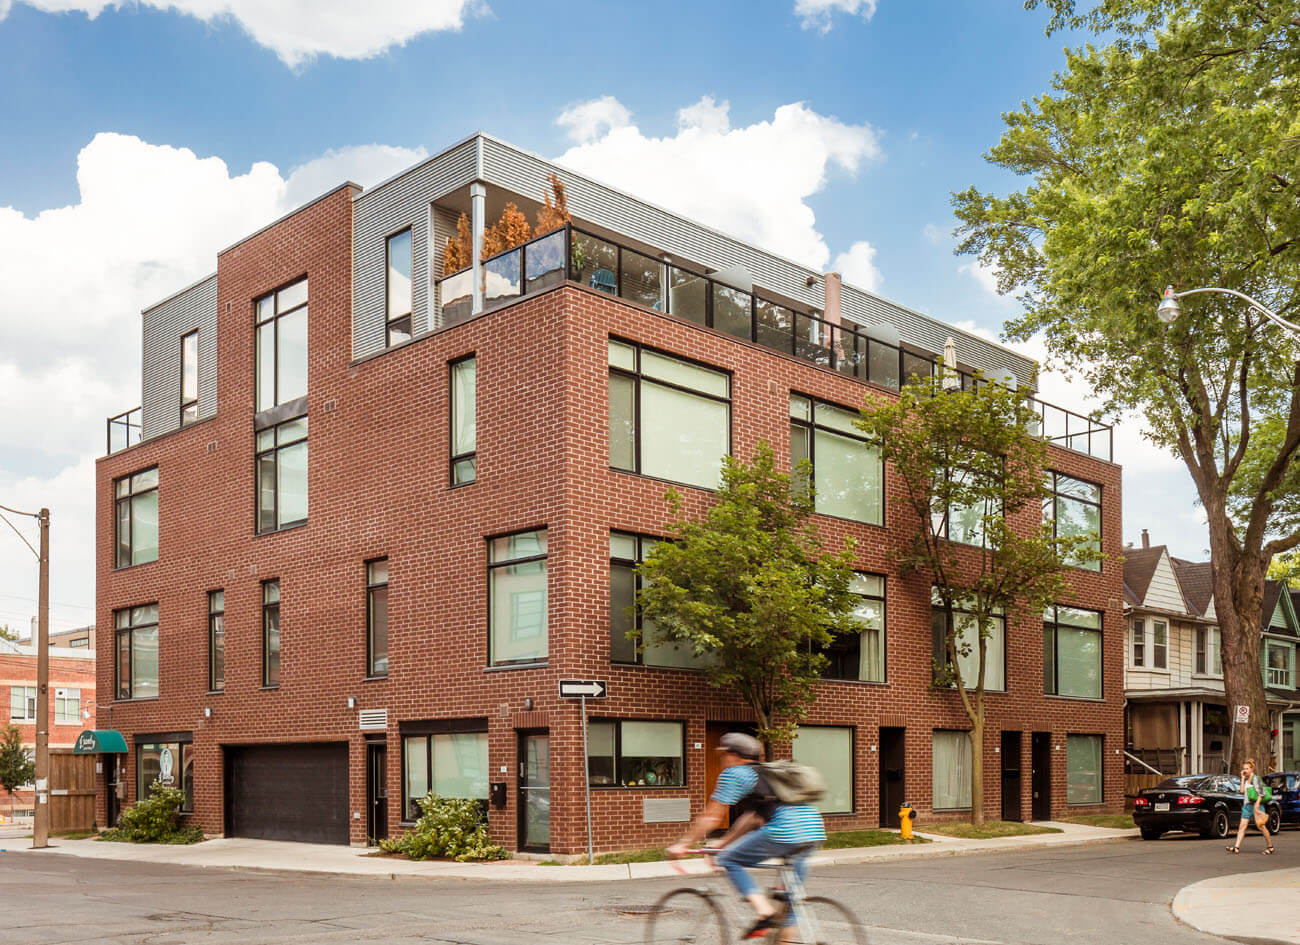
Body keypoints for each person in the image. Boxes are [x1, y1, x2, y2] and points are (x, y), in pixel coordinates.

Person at [668, 732, 826, 941]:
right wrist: (723, 843)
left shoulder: (736, 773)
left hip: (784, 831)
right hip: (813, 831)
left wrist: (683, 844)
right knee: (789, 904)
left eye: (723, 755)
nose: (723, 760)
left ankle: (763, 911)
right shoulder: (769, 775)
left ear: (734, 755)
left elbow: (712, 817)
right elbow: (751, 819)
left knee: (729, 859)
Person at [1227, 759, 1275, 855]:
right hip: (1247, 806)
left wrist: (1257, 805)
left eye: (1247, 768)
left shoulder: (1256, 779)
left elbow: (1261, 793)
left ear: (1252, 769)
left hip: (1256, 805)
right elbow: (1241, 791)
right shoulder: (1246, 778)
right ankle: (1236, 847)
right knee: (1242, 827)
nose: (1245, 770)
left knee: (1261, 827)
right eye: (1244, 768)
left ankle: (1270, 847)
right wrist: (1242, 778)